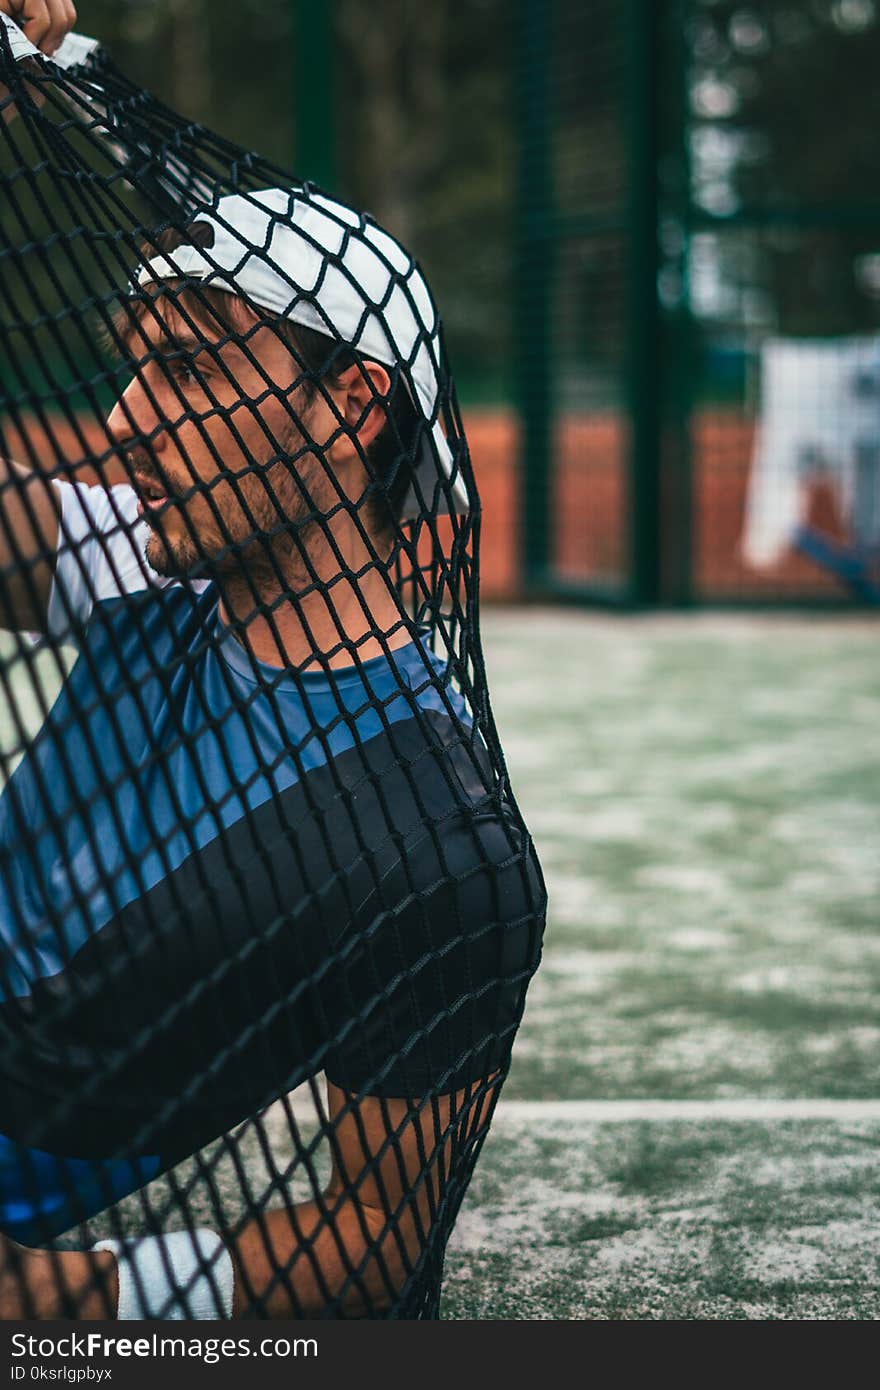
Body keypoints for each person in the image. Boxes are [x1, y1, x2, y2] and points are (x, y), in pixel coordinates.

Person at [0, 0, 545, 1319]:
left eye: (184, 372)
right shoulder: (150, 559)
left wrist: (59, 1293)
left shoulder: (439, 851)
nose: (123, 421)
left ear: (350, 405)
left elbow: (377, 1238)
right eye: (135, 370)